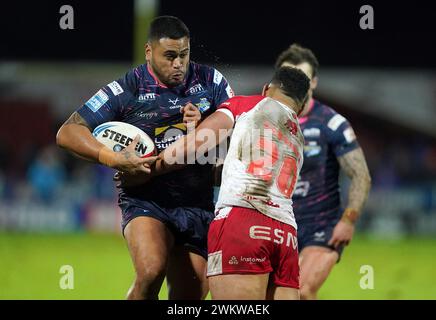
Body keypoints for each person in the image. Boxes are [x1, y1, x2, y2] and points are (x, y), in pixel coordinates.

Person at [56, 15, 234, 300]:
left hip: (197, 202)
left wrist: (201, 125)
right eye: (170, 56)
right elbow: (68, 132)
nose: (178, 64)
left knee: (190, 296)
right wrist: (111, 159)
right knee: (151, 271)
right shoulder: (127, 88)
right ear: (149, 51)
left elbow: (231, 125)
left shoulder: (211, 81)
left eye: (184, 55)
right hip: (146, 199)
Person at [159, 66, 311, 299]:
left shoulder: (247, 104)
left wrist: (150, 166)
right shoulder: (298, 134)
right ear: (299, 107)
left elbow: (194, 146)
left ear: (266, 89)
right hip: (286, 234)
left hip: (243, 222)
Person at [275, 44, 372, 299]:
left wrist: (348, 220)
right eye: (289, 77)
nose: (296, 84)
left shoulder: (331, 123)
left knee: (301, 292)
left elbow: (361, 175)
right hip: (277, 224)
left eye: (303, 79)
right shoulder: (264, 120)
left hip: (322, 225)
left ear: (314, 82)